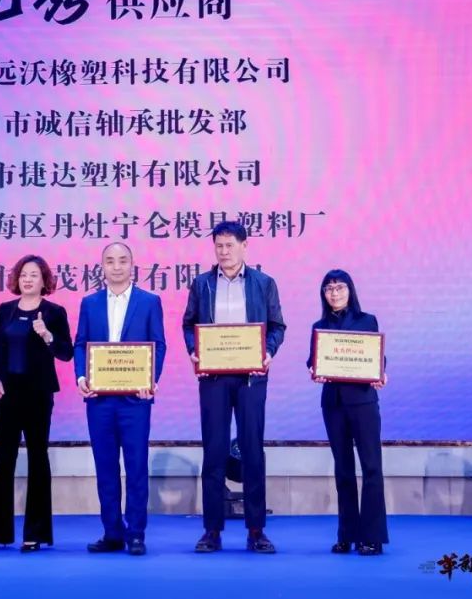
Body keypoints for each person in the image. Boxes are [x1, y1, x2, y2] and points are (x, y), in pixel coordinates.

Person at [182, 221, 286, 554]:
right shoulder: (202, 283)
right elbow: (189, 324)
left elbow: (277, 326)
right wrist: (194, 350)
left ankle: (256, 530)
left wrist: (268, 352)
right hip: (213, 377)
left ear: (244, 246)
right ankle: (212, 530)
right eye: (219, 246)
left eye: (229, 245)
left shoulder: (264, 283)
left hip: (251, 377)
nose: (224, 252)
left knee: (252, 451)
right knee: (213, 451)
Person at [74, 242, 167, 556]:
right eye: (110, 261)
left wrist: (150, 380)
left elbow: (158, 344)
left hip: (135, 400)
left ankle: (136, 533)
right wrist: (81, 377)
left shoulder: (149, 302)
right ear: (102, 266)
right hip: (99, 400)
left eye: (122, 260)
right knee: (105, 468)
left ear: (132, 265)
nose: (116, 266)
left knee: (136, 466)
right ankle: (112, 532)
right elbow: (80, 344)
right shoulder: (89, 303)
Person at [0, 255, 74, 553]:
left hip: (38, 394)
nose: (28, 279)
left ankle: (36, 532)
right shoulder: (5, 310)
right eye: (23, 275)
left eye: (34, 275)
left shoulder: (54, 312)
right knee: (4, 461)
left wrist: (47, 335)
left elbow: (66, 352)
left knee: (37, 459)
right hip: (7, 395)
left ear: (44, 280)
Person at [307, 269, 388, 556]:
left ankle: (372, 537)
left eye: (339, 287)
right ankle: (347, 535)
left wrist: (381, 373)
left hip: (363, 402)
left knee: (371, 467)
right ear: (324, 294)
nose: (334, 293)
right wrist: (314, 370)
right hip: (334, 404)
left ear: (350, 290)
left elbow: (378, 357)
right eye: (329, 288)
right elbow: (312, 361)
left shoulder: (367, 320)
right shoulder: (319, 326)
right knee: (343, 470)